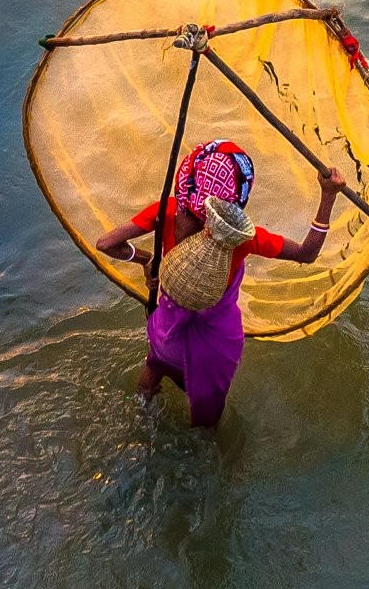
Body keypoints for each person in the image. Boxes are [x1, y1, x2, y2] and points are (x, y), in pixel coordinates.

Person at [93, 140, 351, 428]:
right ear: (235, 198)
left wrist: (145, 259)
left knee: (150, 377)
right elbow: (307, 253)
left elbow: (106, 244)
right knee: (205, 426)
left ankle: (135, 424)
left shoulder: (167, 210)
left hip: (165, 334)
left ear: (190, 177)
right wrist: (328, 197)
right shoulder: (240, 238)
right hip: (212, 349)